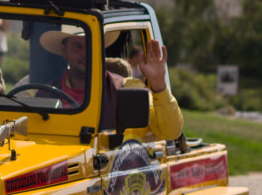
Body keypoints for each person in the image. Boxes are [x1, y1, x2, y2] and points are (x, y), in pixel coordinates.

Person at [38, 26, 183, 140]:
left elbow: (171, 133)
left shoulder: (129, 89)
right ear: (64, 51)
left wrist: (158, 84)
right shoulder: (45, 94)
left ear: (101, 50)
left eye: (91, 45)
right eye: (77, 46)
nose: (85, 53)